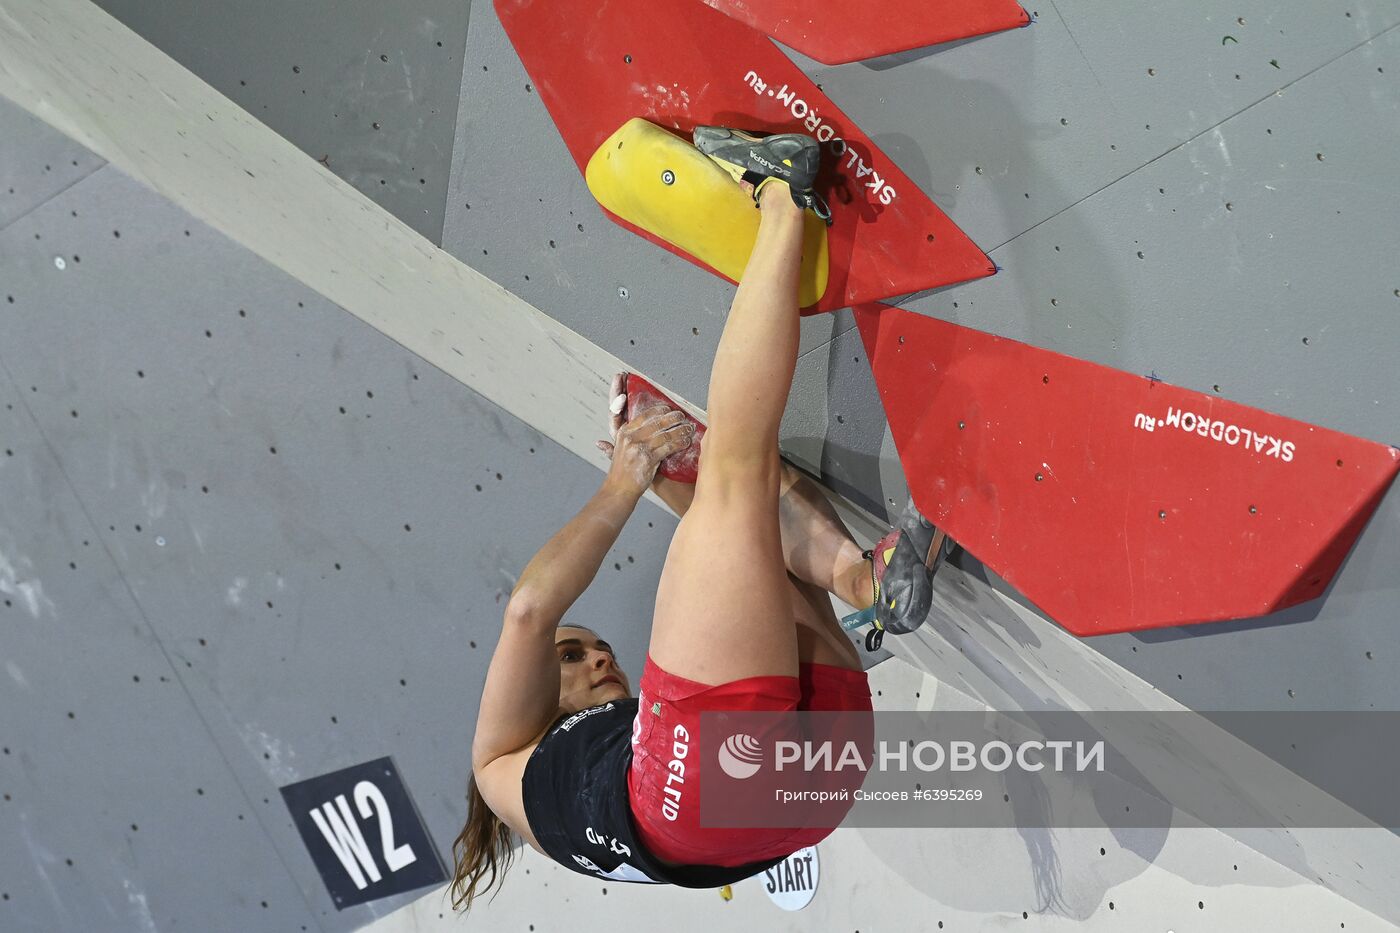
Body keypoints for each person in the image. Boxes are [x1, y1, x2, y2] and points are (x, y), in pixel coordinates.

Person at [449, 126, 949, 909]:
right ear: (533, 699)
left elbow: (733, 585)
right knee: (736, 471)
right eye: (574, 658)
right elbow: (528, 609)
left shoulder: (571, 801)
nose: (596, 658)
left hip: (807, 802)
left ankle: (864, 580)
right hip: (701, 794)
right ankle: (783, 194)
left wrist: (673, 487)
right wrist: (623, 480)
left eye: (587, 649)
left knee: (739, 510)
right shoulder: (499, 762)